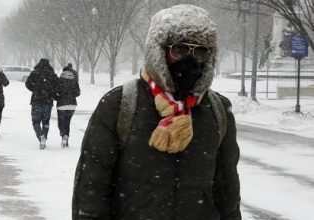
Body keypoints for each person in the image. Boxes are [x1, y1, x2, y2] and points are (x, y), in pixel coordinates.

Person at [72, 5, 241, 220]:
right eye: (179, 49)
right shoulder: (120, 104)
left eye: (200, 51)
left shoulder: (217, 111)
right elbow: (91, 189)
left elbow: (227, 195)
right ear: (159, 51)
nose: (189, 59)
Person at [25, 58, 58, 150]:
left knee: (35, 121)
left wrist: (35, 90)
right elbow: (57, 86)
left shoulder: (34, 73)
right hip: (48, 101)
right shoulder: (52, 75)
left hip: (36, 100)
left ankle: (40, 136)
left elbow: (27, 84)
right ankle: (44, 137)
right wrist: (51, 92)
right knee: (46, 121)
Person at [55, 66, 80, 148]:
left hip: (62, 104)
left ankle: (63, 134)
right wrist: (71, 94)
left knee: (61, 122)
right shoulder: (74, 80)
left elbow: (56, 91)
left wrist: (58, 96)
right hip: (72, 105)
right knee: (67, 122)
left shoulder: (60, 80)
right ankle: (66, 140)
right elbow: (78, 93)